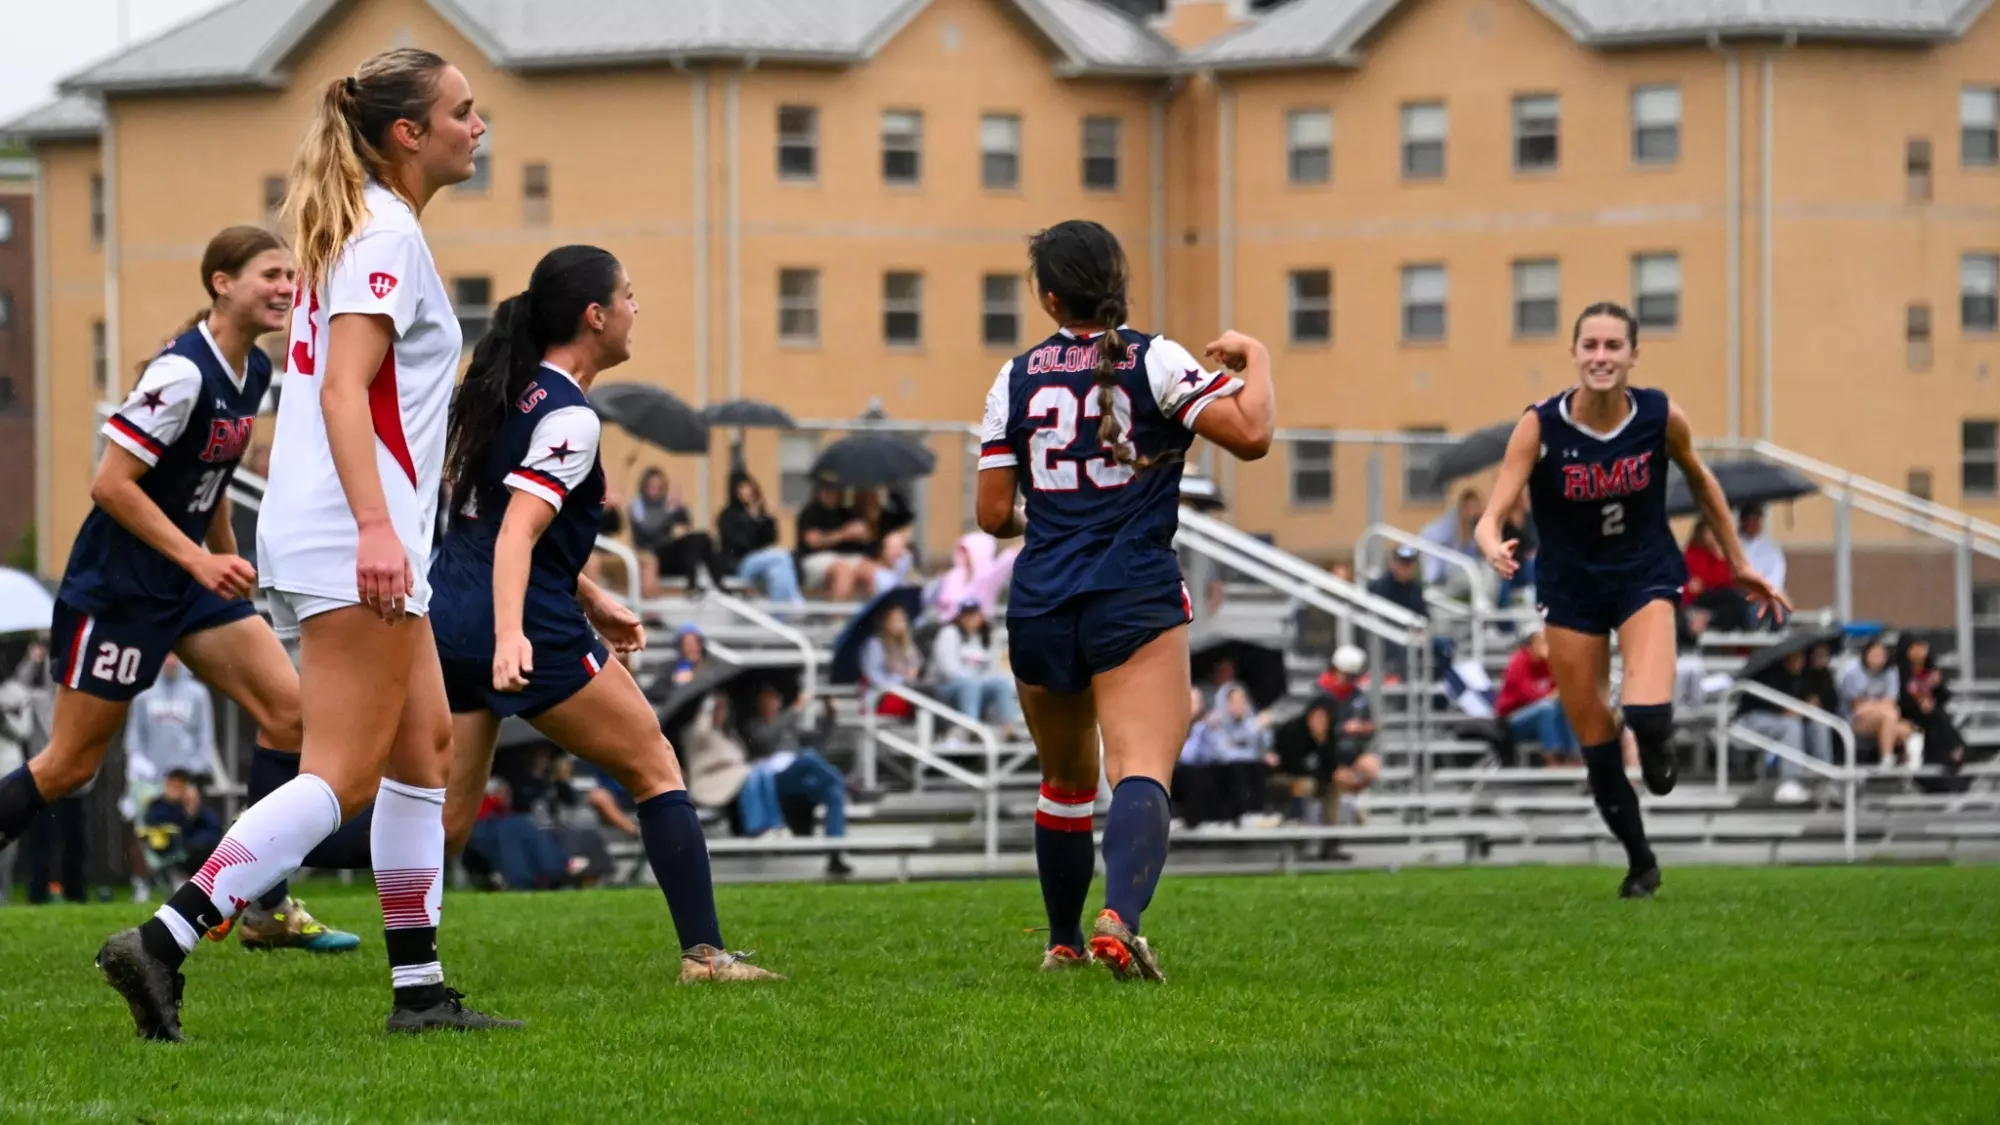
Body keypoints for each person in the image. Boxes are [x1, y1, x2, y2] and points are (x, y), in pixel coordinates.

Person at [96, 48, 513, 1041]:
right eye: (464, 112)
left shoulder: (377, 225)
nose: (478, 126)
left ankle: (419, 991)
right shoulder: (383, 232)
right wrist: (376, 525)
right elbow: (336, 389)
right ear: (407, 134)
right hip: (346, 533)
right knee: (342, 774)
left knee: (427, 750)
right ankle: (165, 935)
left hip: (353, 528)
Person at [428, 244, 780, 982]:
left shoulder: (504, 391)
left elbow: (495, 522)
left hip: (450, 613)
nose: (634, 308)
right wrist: (514, 634)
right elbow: (517, 532)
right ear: (595, 316)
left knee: (446, 824)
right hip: (516, 622)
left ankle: (267, 865)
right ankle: (706, 957)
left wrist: (592, 594)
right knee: (655, 766)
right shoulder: (569, 416)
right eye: (627, 295)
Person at [0, 226, 361, 945]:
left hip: (187, 587)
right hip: (120, 590)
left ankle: (262, 908)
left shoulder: (254, 372)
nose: (287, 288)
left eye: (292, 276)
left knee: (290, 714)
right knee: (69, 765)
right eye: (270, 274)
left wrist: (225, 562)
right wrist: (199, 561)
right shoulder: (181, 374)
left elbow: (210, 476)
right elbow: (110, 485)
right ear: (220, 283)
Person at [975, 219, 1274, 980]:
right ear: (1120, 280)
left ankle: (1063, 942)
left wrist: (1039, 516)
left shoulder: (1015, 376)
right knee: (1141, 765)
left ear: (1048, 297)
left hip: (1041, 597)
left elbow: (991, 513)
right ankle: (1122, 915)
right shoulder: (1156, 358)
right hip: (1131, 591)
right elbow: (1252, 433)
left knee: (1065, 781)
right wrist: (1260, 360)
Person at [1474, 301, 1788, 900]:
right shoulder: (1540, 426)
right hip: (1570, 589)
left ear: (1633, 356)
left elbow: (1701, 481)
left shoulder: (1660, 416)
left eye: (1613, 346)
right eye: (1590, 345)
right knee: (1595, 738)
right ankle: (1641, 860)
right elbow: (1492, 513)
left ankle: (1655, 739)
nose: (1600, 357)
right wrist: (1492, 544)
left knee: (1644, 713)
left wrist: (1740, 564)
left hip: (1643, 574)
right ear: (1573, 353)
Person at [717, 471, 802, 604]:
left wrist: (769, 519)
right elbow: (742, 543)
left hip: (761, 562)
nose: (747, 491)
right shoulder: (728, 516)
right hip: (740, 563)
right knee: (783, 556)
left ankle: (780, 615)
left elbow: (771, 539)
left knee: (777, 573)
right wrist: (752, 520)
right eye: (742, 488)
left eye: (749, 487)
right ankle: (798, 604)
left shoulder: (758, 514)